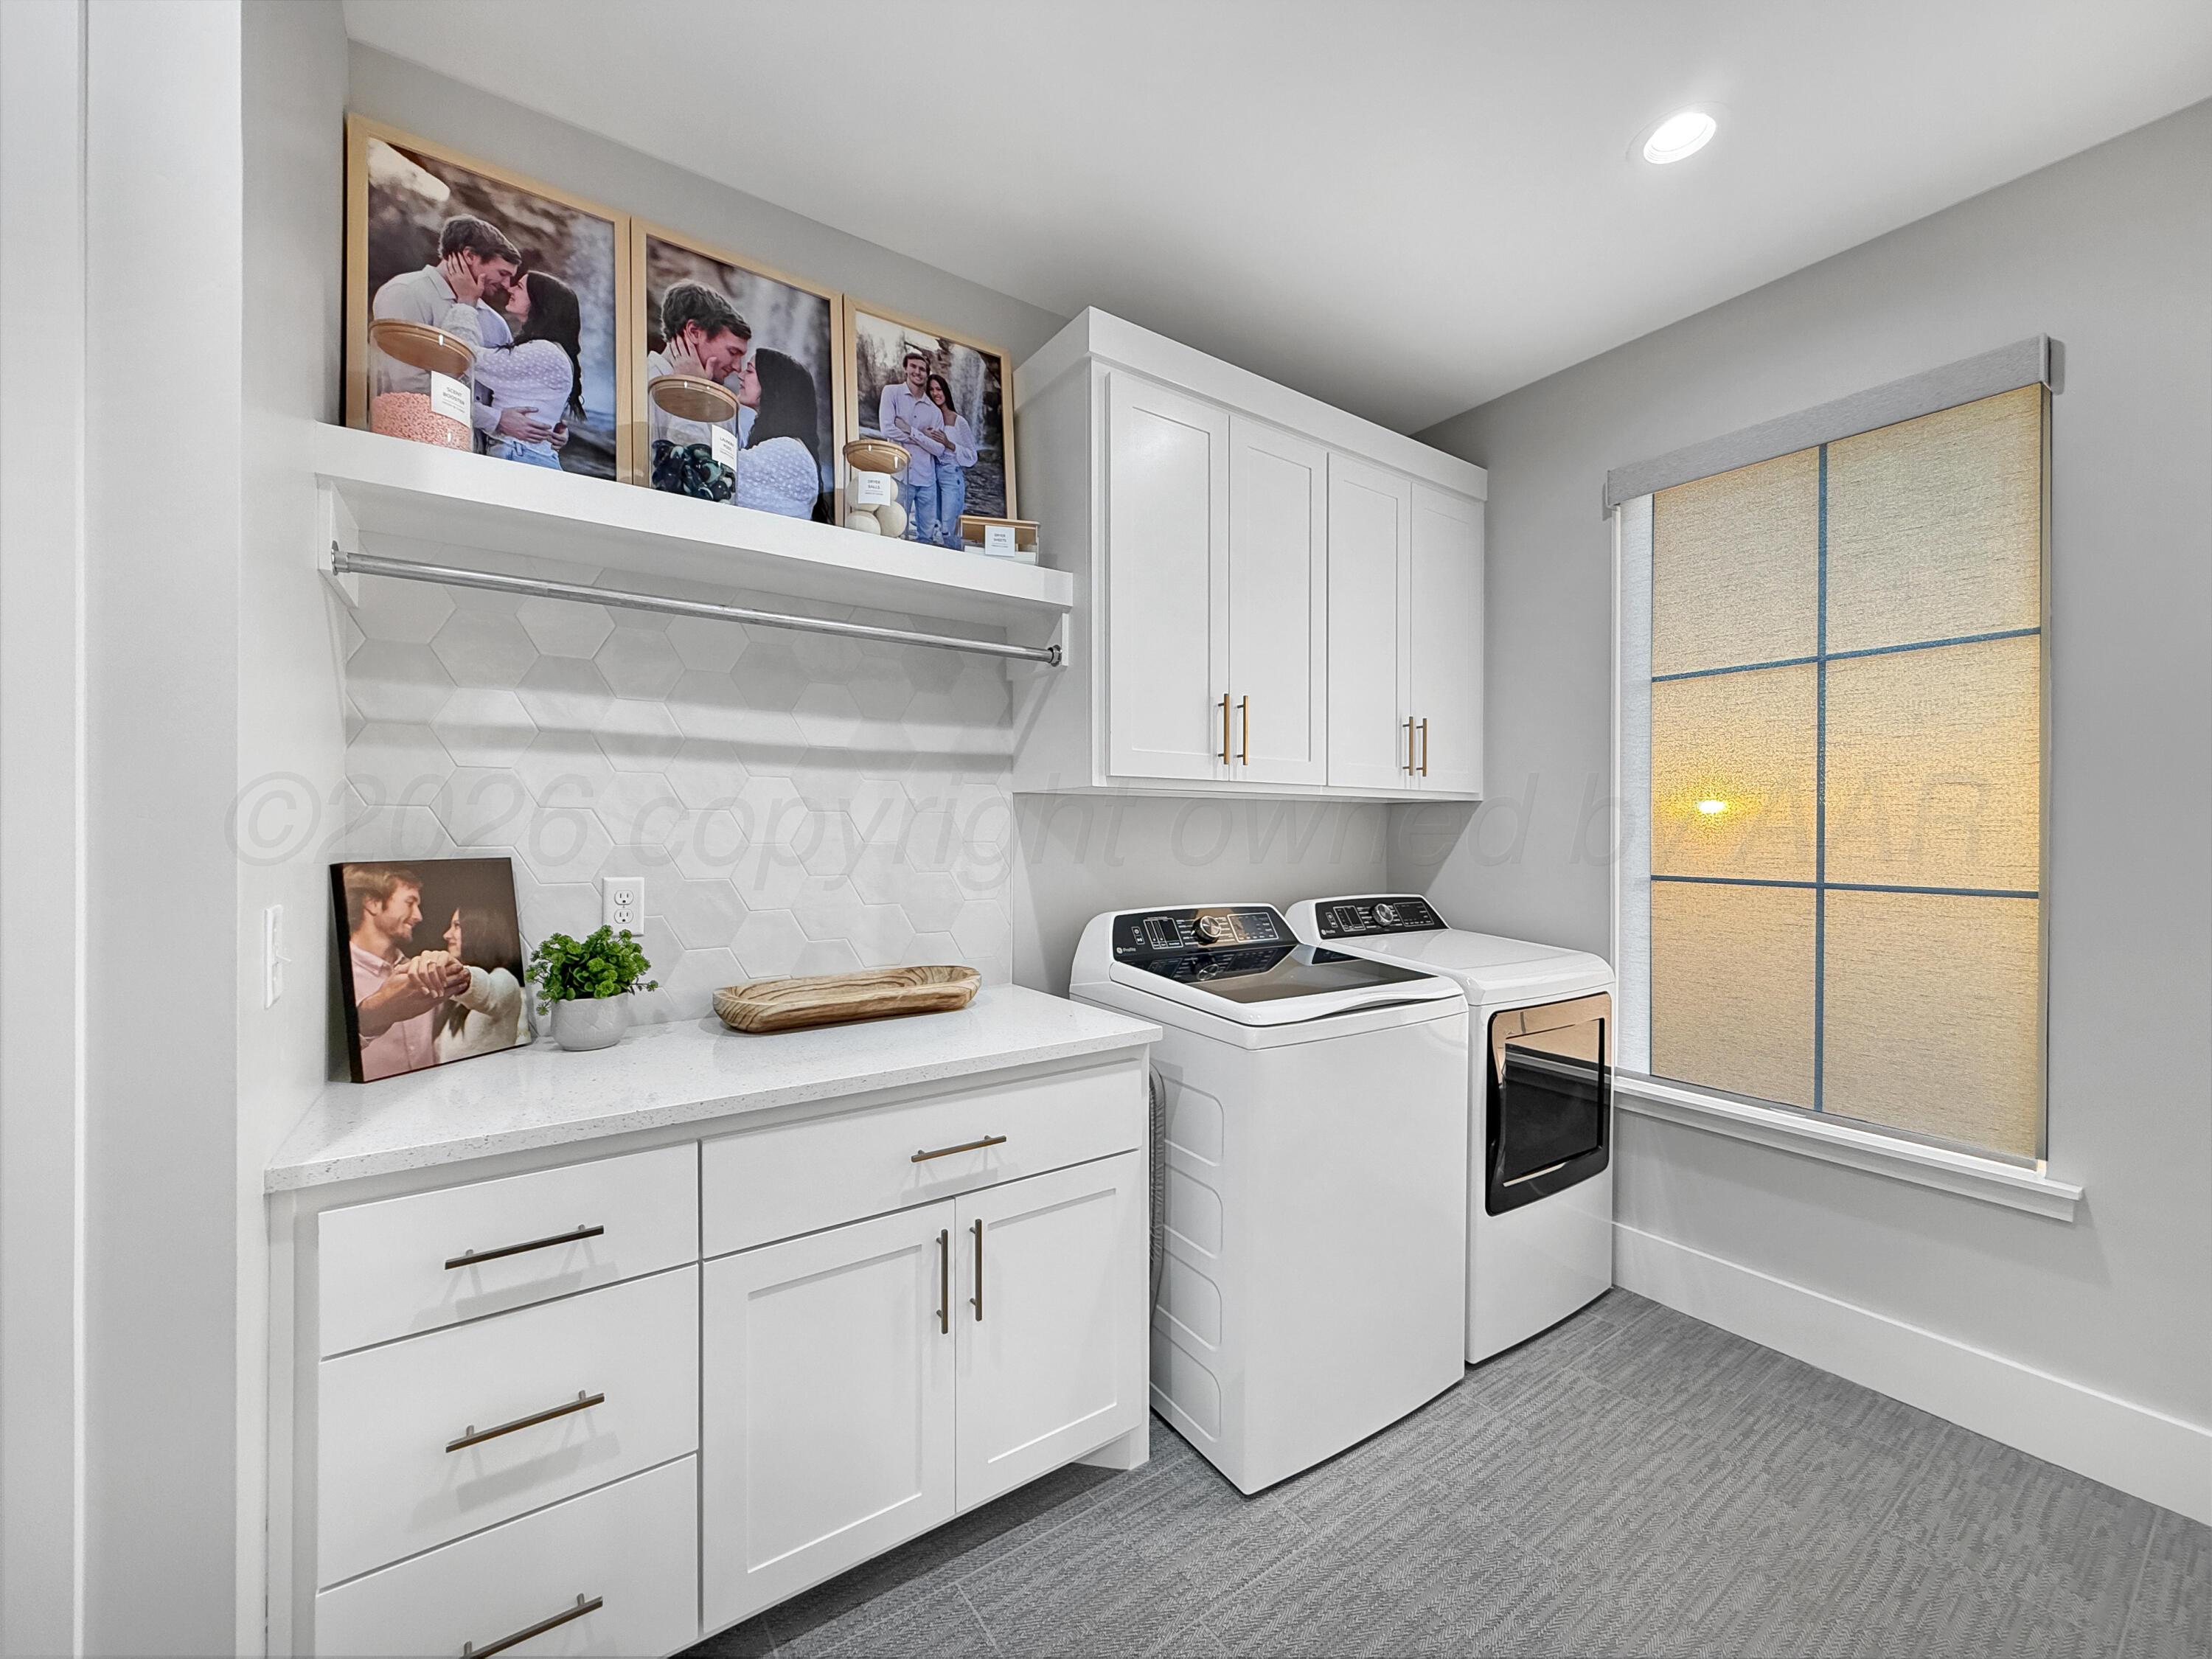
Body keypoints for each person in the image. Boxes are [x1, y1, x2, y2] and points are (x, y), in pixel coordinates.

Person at [371, 215, 553, 451]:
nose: (507, 285)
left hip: (476, 460)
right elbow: (409, 385)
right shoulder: (405, 293)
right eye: (502, 273)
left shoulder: (495, 323)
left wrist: (550, 424)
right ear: (469, 256)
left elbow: (509, 391)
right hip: (413, 449)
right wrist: (495, 420)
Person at [344, 866, 467, 1082]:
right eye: (410, 903)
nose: (418, 916)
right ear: (372, 903)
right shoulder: (338, 979)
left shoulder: (421, 970)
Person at [470, 269, 586, 470]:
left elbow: (465, 356)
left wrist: (466, 303)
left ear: (539, 303)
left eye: (520, 286)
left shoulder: (543, 351)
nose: (510, 288)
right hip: (525, 456)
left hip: (519, 456)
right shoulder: (549, 350)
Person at [648, 281, 754, 453]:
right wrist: (692, 389)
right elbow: (683, 466)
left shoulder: (721, 401)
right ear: (694, 332)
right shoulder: (642, 382)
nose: (737, 367)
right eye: (733, 352)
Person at [733, 348, 827, 519]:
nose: (740, 375)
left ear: (772, 383)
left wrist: (694, 384)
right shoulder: (780, 447)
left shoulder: (789, 451)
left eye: (749, 370)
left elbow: (714, 477)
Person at [431, 903, 529, 1062]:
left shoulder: (505, 980)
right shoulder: (454, 1004)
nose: (447, 935)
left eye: (457, 926)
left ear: (480, 931)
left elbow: (489, 994)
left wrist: (459, 975)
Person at [877, 347, 945, 542]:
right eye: (913, 367)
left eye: (922, 369)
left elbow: (939, 449)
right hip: (899, 476)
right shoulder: (891, 393)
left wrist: (910, 430)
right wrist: (923, 437)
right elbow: (887, 429)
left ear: (927, 374)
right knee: (892, 532)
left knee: (926, 536)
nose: (918, 372)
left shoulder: (934, 411)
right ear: (905, 369)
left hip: (927, 481)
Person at [925, 372, 977, 549]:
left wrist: (949, 444)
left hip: (950, 475)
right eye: (931, 390)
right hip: (930, 476)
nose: (935, 393)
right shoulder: (929, 418)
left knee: (949, 526)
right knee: (935, 525)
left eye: (938, 389)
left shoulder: (958, 421)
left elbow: (972, 456)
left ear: (945, 391)